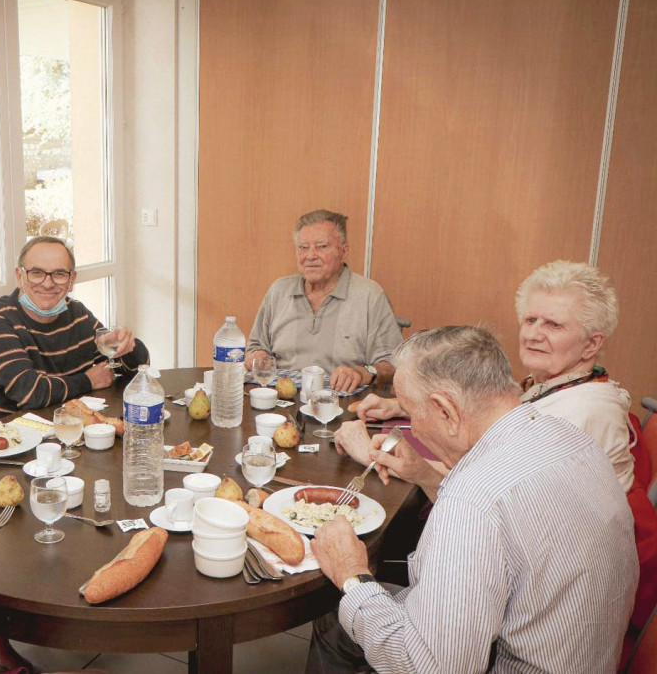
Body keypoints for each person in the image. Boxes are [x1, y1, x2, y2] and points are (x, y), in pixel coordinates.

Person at [337, 260, 657, 635]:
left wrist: (352, 578)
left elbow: (489, 496)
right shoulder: (560, 386)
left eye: (554, 325)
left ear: (592, 343)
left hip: (550, 611)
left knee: (346, 601)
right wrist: (405, 408)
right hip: (552, 588)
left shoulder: (578, 417)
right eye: (531, 320)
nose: (535, 334)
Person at [307, 326, 637, 673]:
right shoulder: (570, 438)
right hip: (583, 654)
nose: (412, 430)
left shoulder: (473, 500)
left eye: (410, 413)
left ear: (446, 411)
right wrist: (423, 473)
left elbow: (427, 667)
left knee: (339, 608)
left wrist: (352, 574)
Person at [0, 236, 149, 426]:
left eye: (59, 274)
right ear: (20, 277)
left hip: (58, 431)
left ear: (72, 279)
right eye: (36, 273)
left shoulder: (77, 313)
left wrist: (128, 346)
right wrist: (88, 380)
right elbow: (31, 393)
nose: (48, 283)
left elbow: (138, 371)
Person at [244, 209, 403, 393]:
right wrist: (258, 356)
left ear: (343, 251)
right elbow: (256, 346)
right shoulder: (279, 291)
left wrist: (363, 373)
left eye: (321, 246)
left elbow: (393, 365)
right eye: (303, 247)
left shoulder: (370, 295)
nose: (310, 256)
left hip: (343, 405)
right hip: (281, 401)